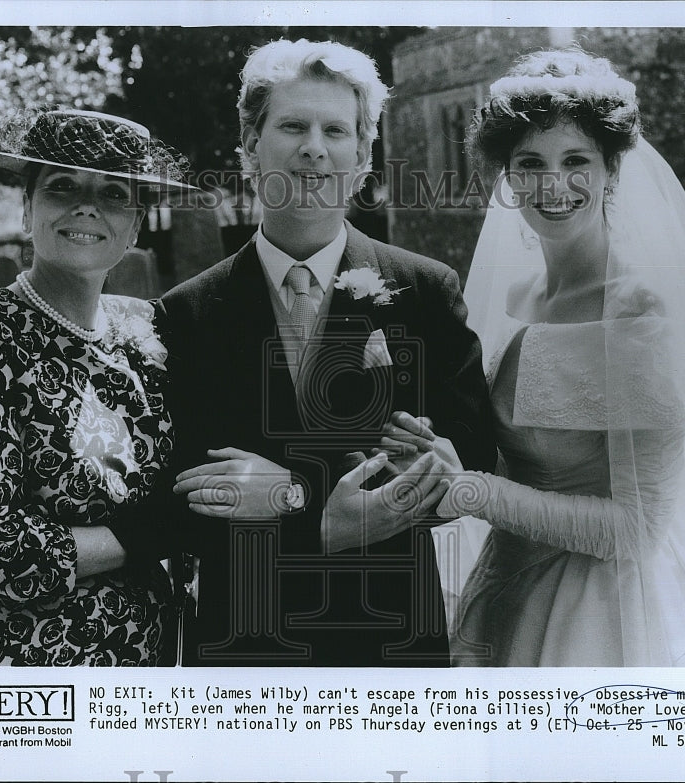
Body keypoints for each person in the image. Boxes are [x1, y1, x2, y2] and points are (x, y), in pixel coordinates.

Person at [388, 49, 685, 666]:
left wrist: (474, 493)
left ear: (612, 170)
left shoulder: (636, 316)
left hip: (602, 615)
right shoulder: (520, 297)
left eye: (575, 161)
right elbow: (525, 458)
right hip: (507, 581)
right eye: (530, 163)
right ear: (506, 176)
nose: (553, 185)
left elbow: (635, 528)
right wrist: (448, 462)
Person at [141, 39, 494, 666]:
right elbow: (178, 493)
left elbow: (474, 455)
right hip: (242, 641)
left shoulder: (425, 291)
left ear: (362, 157)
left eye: (336, 130)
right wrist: (312, 505)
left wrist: (296, 493)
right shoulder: (186, 315)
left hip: (390, 635)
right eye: (292, 126)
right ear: (250, 149)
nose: (314, 147)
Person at [0, 108, 192, 665]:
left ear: (135, 225)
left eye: (114, 194)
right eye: (63, 186)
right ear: (28, 208)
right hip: (31, 669)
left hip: (150, 667)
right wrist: (148, 533)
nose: (87, 206)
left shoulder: (145, 330)